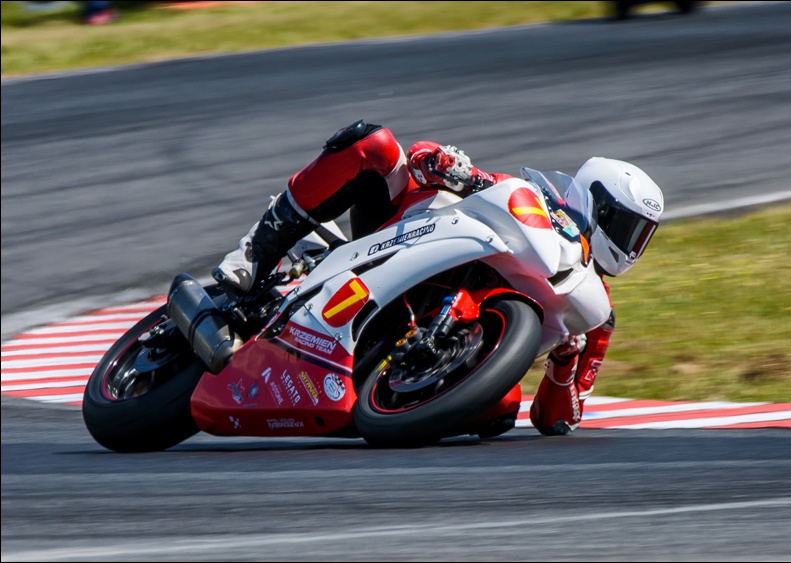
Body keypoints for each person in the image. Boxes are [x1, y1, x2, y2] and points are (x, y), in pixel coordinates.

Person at [213, 120, 664, 436]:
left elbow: (559, 421)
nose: (632, 246)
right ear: (596, 204)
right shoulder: (535, 200)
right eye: (628, 228)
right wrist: (449, 166)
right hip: (398, 241)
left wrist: (565, 360)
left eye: (641, 236)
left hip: (439, 347)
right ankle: (257, 251)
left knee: (500, 411)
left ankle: (394, 390)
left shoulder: (594, 316)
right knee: (372, 143)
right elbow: (428, 158)